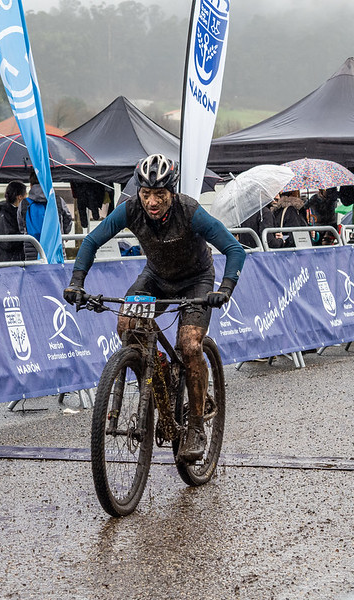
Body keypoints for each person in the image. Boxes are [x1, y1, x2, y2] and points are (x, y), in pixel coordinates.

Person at [62, 154, 246, 463]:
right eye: (146, 193)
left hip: (196, 280)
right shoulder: (131, 209)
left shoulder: (190, 211)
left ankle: (196, 426)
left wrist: (224, 290)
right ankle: (162, 372)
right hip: (156, 278)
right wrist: (77, 282)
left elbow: (234, 249)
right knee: (127, 327)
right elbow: (92, 240)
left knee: (189, 345)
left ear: (171, 192)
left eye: (159, 193)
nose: (152, 201)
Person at [18, 170, 74, 260]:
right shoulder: (57, 200)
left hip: (32, 248)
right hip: (55, 245)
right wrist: (64, 232)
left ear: (31, 185)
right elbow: (68, 218)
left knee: (34, 272)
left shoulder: (24, 203)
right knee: (57, 272)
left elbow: (21, 226)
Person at [0, 180, 26, 262]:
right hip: (5, 262)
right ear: (20, 197)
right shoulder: (3, 215)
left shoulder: (13, 212)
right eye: (25, 195)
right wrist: (25, 236)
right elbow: (7, 242)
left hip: (11, 260)